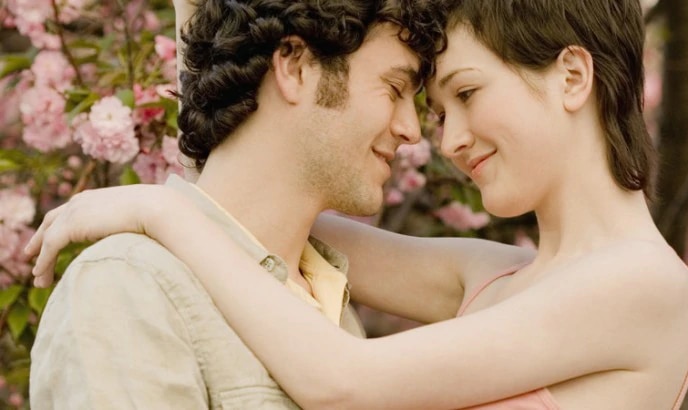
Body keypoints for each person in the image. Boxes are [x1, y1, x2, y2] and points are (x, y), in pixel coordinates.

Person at [27, 0, 688, 409]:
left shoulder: (644, 284)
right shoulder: (491, 276)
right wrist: (235, 47)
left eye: (465, 94)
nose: (443, 139)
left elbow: (342, 382)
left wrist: (160, 211)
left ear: (573, 75)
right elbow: (251, 207)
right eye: (433, 107)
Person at [27, 0, 448, 408]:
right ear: (295, 66)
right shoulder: (129, 284)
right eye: (394, 89)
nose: (411, 130)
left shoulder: (324, 293)